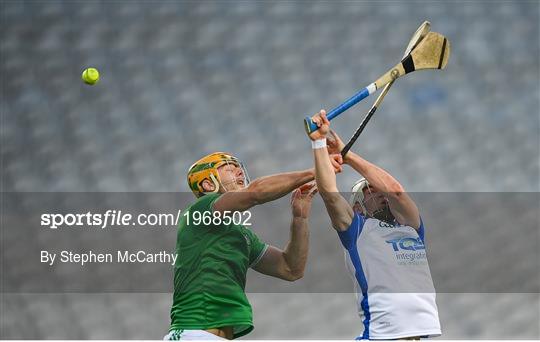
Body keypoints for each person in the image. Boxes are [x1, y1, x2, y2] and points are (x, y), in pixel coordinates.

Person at [165, 151, 341, 340]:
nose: (239, 171)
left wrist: (300, 217)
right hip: (192, 334)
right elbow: (255, 193)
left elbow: (290, 268)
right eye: (228, 168)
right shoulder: (200, 210)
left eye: (238, 167)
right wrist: (315, 171)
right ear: (208, 184)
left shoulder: (242, 235)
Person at [308, 110, 441, 340]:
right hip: (381, 336)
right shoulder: (356, 231)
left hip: (419, 336)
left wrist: (348, 157)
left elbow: (396, 190)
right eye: (369, 191)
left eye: (378, 189)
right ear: (357, 207)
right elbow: (329, 194)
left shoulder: (411, 227)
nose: (379, 193)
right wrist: (319, 142)